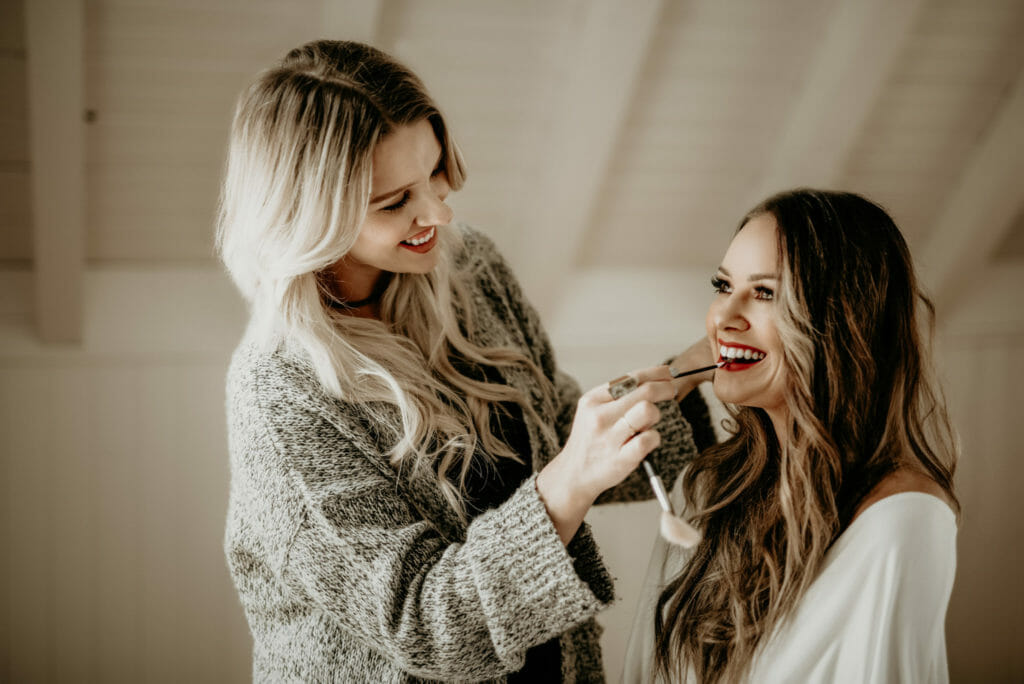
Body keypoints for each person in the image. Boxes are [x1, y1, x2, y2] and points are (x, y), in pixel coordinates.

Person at [216, 40, 714, 682]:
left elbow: (554, 430)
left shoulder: (469, 266)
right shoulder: (279, 396)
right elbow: (425, 627)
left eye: (436, 172)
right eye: (396, 202)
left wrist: (698, 384)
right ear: (307, 216)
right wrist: (568, 484)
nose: (439, 212)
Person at [623, 189, 960, 683]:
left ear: (842, 319)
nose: (723, 316)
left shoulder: (901, 522)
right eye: (722, 285)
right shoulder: (704, 492)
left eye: (764, 293)